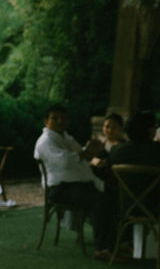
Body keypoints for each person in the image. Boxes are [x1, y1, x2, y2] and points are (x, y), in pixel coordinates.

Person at [33, 104, 116, 259]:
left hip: (77, 184)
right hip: (59, 189)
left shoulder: (66, 137)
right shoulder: (45, 141)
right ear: (46, 121)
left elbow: (82, 152)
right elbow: (65, 161)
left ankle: (116, 243)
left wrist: (92, 150)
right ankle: (102, 249)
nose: (59, 121)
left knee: (113, 194)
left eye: (63, 118)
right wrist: (86, 153)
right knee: (100, 199)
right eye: (55, 118)